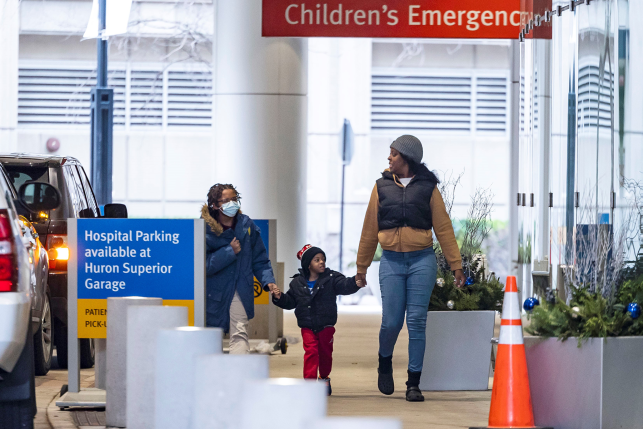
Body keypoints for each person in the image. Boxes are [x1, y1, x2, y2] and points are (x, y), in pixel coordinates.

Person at [356, 135, 465, 402]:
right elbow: (370, 229)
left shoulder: (428, 187)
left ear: (407, 158)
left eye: (393, 154)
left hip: (421, 261)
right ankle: (384, 362)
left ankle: (413, 383)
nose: (389, 158)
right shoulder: (381, 187)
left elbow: (443, 228)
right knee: (391, 322)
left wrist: (456, 265)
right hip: (391, 261)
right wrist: (362, 266)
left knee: (417, 322)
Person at [272, 245, 365, 395]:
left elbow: (345, 285)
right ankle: (309, 385)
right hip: (307, 325)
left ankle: (324, 378)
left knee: (325, 353)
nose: (322, 262)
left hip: (326, 325)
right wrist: (279, 297)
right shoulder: (297, 283)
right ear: (308, 264)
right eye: (317, 260)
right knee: (311, 352)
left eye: (323, 259)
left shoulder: (332, 278)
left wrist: (355, 282)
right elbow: (290, 302)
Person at [201, 183, 278, 354]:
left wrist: (269, 282)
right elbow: (203, 266)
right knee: (211, 338)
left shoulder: (247, 226)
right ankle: (212, 377)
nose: (232, 203)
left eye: (234, 199)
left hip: (240, 290)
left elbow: (260, 260)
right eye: (226, 200)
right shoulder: (203, 230)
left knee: (240, 334)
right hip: (213, 294)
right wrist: (229, 251)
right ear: (214, 205)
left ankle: (238, 378)